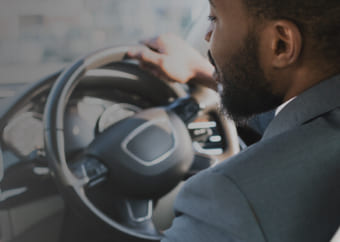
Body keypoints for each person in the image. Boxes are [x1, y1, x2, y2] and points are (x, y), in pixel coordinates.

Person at [128, 0, 340, 241]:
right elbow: (289, 120)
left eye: (214, 19)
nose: (207, 37)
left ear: (281, 44)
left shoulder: (233, 201)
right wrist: (202, 73)